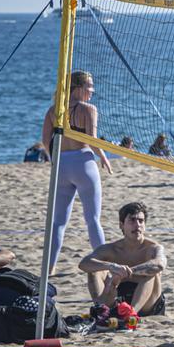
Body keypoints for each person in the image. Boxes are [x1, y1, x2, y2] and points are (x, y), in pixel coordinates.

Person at [40, 70, 111, 273]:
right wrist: (104, 157)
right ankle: (103, 266)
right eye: (90, 86)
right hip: (83, 162)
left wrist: (54, 160)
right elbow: (91, 139)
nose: (92, 90)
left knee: (58, 222)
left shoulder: (54, 110)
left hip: (61, 164)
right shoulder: (88, 109)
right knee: (93, 219)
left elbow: (46, 141)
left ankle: (49, 268)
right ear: (78, 88)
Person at [78, 201, 167, 316]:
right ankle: (101, 309)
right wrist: (112, 266)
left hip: (147, 302)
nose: (137, 225)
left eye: (141, 221)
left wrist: (128, 271)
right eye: (132, 220)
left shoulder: (153, 247)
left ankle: (131, 313)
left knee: (152, 271)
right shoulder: (111, 249)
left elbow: (160, 264)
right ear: (121, 225)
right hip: (117, 296)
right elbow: (83, 264)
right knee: (94, 270)